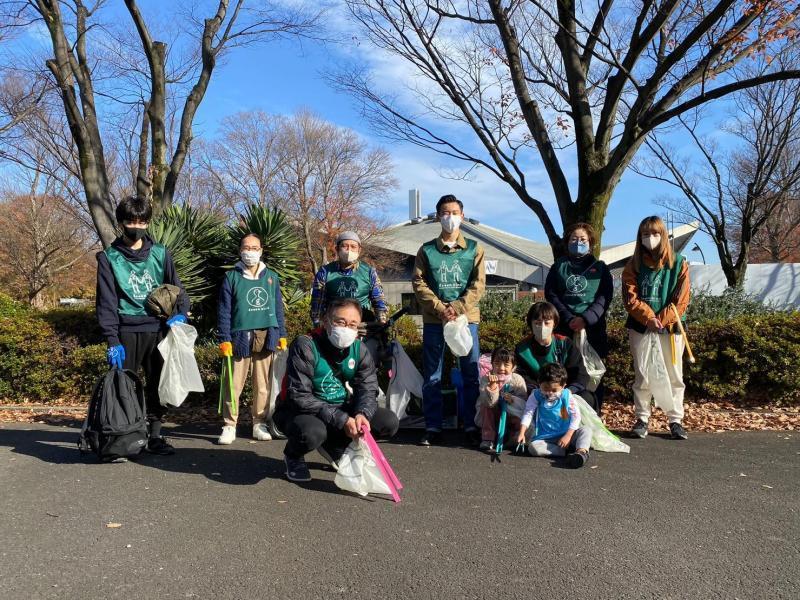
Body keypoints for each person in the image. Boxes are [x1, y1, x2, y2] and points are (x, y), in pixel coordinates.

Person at [96, 196, 189, 455]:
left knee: (159, 384)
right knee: (125, 386)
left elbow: (178, 289)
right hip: (126, 330)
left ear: (148, 223)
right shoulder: (109, 258)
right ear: (121, 222)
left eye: (142, 221)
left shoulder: (160, 253)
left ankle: (156, 436)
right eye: (131, 221)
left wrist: (181, 313)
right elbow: (106, 302)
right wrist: (112, 339)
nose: (136, 226)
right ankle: (128, 435)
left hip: (157, 329)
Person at [273, 298, 400, 482]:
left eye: (352, 324)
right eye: (340, 322)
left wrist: (362, 413)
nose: (346, 328)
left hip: (338, 406)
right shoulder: (305, 345)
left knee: (388, 422)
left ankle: (335, 447)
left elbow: (367, 387)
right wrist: (342, 420)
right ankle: (293, 455)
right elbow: (299, 396)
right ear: (326, 321)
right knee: (312, 433)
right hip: (298, 410)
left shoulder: (359, 349)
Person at [412, 194, 486, 446]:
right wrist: (439, 308)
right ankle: (433, 425)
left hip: (467, 321)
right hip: (435, 321)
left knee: (470, 373)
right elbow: (418, 282)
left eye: (454, 212)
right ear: (437, 217)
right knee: (432, 375)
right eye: (445, 213)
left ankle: (472, 425)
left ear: (462, 217)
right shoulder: (427, 250)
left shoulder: (475, 248)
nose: (450, 217)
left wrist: (456, 307)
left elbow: (478, 285)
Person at [622, 216, 690, 440]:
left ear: (663, 236)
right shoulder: (633, 265)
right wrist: (649, 317)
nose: (649, 238)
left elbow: (682, 299)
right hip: (641, 328)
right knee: (643, 375)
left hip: (670, 328)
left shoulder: (679, 263)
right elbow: (630, 298)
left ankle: (675, 420)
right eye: (644, 234)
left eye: (654, 233)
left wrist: (663, 318)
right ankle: (642, 418)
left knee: (674, 375)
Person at [216, 233, 288, 445]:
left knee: (262, 384)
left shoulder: (271, 277)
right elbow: (224, 311)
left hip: (266, 336)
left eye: (255, 248)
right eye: (246, 248)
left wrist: (282, 334)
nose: (251, 252)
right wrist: (224, 338)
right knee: (233, 384)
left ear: (261, 250)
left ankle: (259, 423)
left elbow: (277, 308)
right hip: (239, 338)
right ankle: (230, 425)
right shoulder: (231, 277)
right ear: (240, 251)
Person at [545, 222, 613, 412]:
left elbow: (604, 298)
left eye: (583, 239)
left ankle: (594, 415)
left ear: (591, 242)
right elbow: (551, 294)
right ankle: (563, 415)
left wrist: (586, 319)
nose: (578, 242)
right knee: (565, 373)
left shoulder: (600, 268)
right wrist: (568, 318)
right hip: (564, 328)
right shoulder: (558, 267)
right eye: (574, 239)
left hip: (593, 331)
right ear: (567, 242)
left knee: (593, 376)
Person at [516, 363, 591, 468]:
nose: (550, 393)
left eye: (554, 390)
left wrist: (568, 436)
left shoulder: (566, 395)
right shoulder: (536, 395)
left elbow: (576, 416)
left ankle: (581, 453)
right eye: (546, 388)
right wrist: (522, 432)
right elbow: (528, 413)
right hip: (546, 438)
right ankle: (566, 452)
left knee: (586, 430)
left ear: (563, 386)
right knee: (533, 448)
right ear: (539, 383)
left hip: (567, 434)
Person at [514, 301, 591, 402]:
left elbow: (579, 374)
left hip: (566, 393)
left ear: (554, 323)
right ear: (530, 324)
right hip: (536, 395)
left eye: (547, 323)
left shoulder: (565, 344)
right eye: (537, 323)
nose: (542, 327)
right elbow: (522, 377)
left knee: (587, 397)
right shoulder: (522, 349)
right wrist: (542, 392)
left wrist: (567, 392)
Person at [310, 231, 388, 328]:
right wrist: (318, 324)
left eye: (353, 247)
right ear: (337, 249)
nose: (349, 250)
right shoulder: (325, 272)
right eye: (345, 246)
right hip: (334, 326)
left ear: (359, 250)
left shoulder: (369, 272)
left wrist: (382, 321)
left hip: (363, 325)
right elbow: (317, 304)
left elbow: (379, 299)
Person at [475, 347, 527, 453]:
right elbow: (489, 403)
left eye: (506, 364)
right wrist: (493, 387)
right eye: (497, 363)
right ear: (492, 364)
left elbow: (523, 402)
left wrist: (513, 399)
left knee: (518, 418)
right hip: (492, 414)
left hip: (509, 414)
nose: (501, 368)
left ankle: (513, 437)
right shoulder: (486, 378)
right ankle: (488, 438)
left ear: (513, 366)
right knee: (487, 407)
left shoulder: (517, 379)